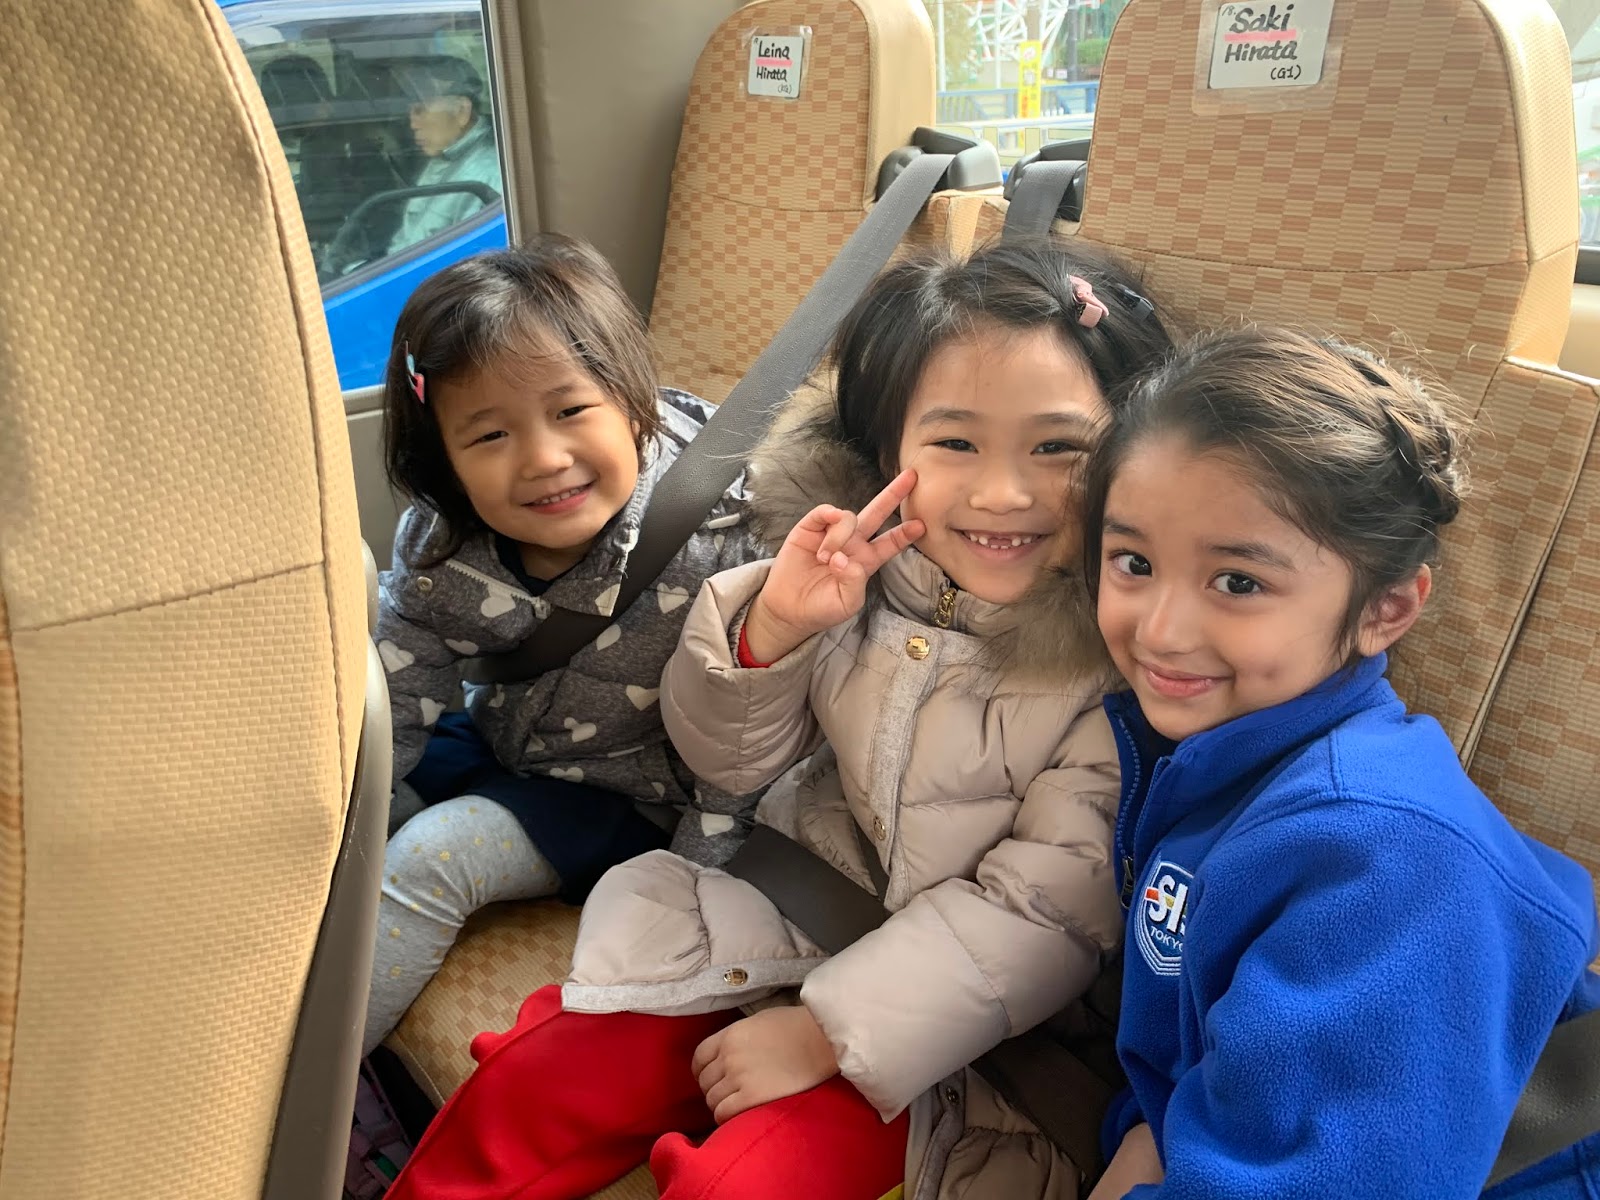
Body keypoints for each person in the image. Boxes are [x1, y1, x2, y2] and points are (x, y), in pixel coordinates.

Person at [383, 241, 1176, 1200]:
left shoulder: (1122, 667)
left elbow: (1043, 916)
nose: (1002, 493)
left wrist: (829, 1031)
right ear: (887, 453)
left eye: (1058, 449)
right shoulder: (849, 568)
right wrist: (771, 637)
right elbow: (723, 764)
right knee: (537, 1078)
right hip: (773, 914)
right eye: (956, 445)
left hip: (954, 1038)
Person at [1080, 328, 1600, 1199]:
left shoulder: (1381, 857)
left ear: (1385, 610)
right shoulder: (1224, 759)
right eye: (1134, 563)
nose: (1160, 630)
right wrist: (1149, 1126)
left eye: (1238, 582)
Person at [363, 237, 764, 1056]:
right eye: (489, 436)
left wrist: (693, 888)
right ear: (443, 462)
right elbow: (399, 701)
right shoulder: (443, 547)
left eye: (571, 411)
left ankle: (307, 1095)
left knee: (432, 857)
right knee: (354, 763)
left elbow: (749, 738)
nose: (544, 460)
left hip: (630, 796)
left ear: (631, 400)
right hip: (501, 738)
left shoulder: (725, 540)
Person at [388, 55, 502, 254]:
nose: (413, 124)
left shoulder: (489, 175)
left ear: (461, 111)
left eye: (421, 110)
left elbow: (469, 258)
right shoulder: (443, 158)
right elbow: (408, 240)